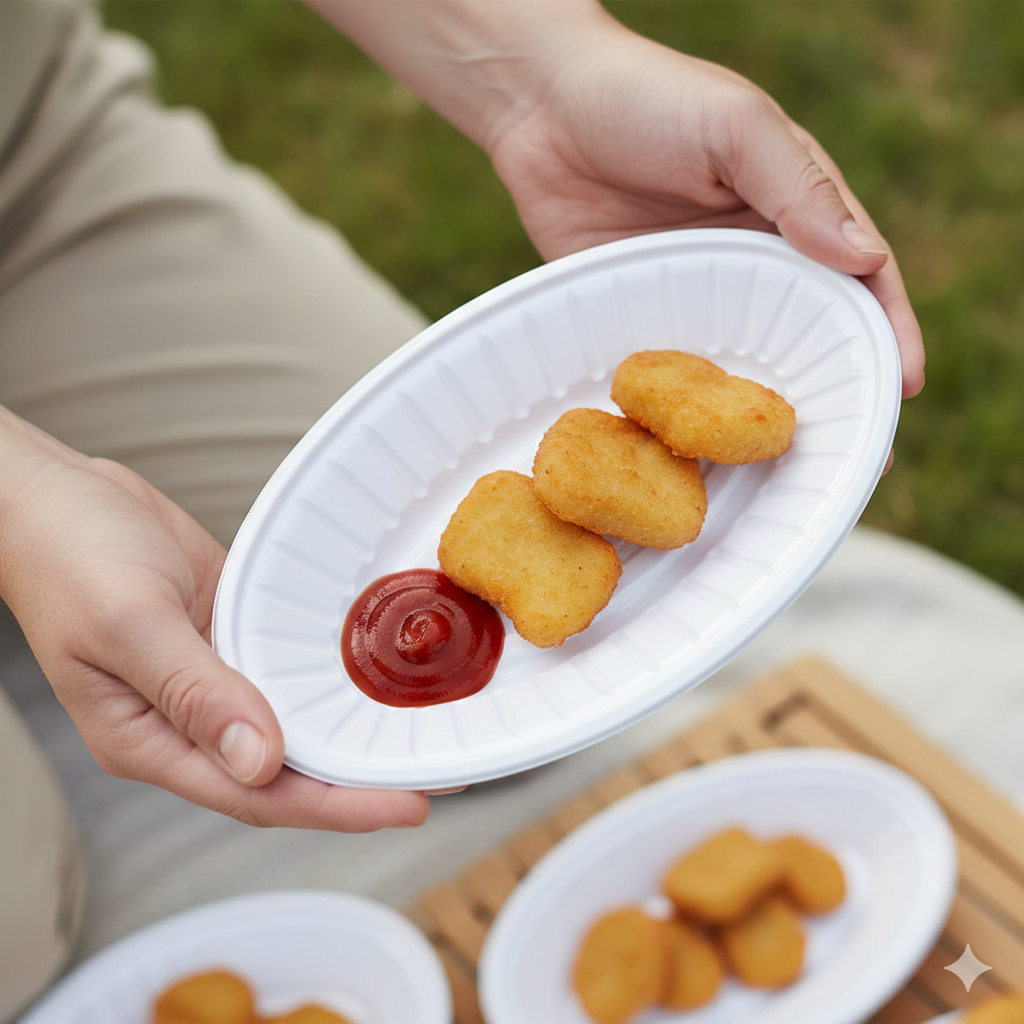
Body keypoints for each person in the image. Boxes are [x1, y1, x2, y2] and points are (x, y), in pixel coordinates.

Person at [0, 0, 923, 1012]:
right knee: (17, 927)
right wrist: (24, 505)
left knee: (460, 734)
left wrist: (535, 76)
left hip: (26, 146)